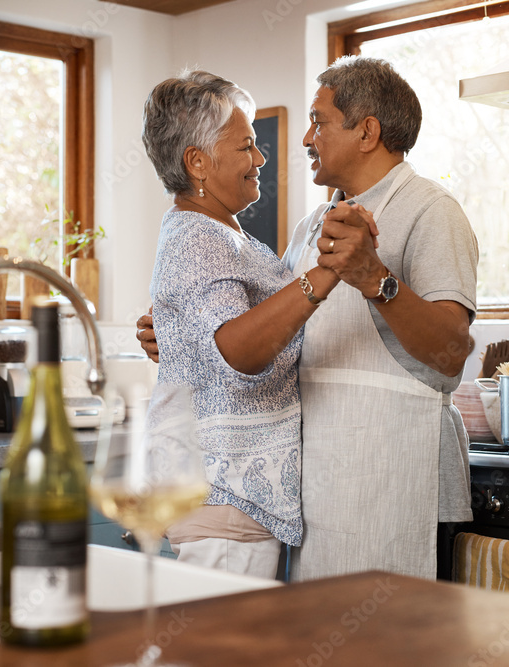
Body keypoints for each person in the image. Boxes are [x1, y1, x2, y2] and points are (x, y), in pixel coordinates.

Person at [138, 56, 478, 582]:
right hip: (314, 493)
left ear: (367, 132)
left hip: (394, 481)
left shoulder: (433, 211)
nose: (302, 139)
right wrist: (183, 335)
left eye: (318, 122)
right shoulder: (310, 226)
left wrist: (376, 279)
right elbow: (259, 331)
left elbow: (452, 352)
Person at [139, 70, 346, 579]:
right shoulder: (198, 238)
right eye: (246, 147)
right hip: (226, 498)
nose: (260, 159)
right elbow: (237, 348)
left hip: (230, 503)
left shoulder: (220, 235)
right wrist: (328, 272)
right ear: (198, 162)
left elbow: (215, 335)